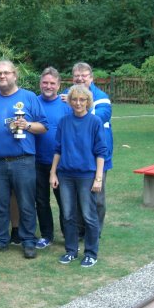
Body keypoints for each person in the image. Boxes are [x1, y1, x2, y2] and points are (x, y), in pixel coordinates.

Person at [0, 60, 48, 259]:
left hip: (23, 161)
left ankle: (28, 241)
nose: (2, 76)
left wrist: (26, 125)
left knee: (26, 203)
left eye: (6, 73)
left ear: (15, 75)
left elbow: (43, 127)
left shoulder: (29, 97)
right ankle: (0, 240)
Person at [50, 84, 107, 268]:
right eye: (74, 99)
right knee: (68, 215)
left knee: (89, 215)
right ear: (70, 101)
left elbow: (101, 152)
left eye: (82, 100)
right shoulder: (64, 122)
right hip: (65, 175)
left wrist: (98, 178)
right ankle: (71, 251)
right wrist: (53, 173)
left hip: (86, 176)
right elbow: (58, 149)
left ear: (88, 101)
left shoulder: (95, 122)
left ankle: (91, 253)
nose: (78, 103)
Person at [62, 62, 113, 235]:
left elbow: (101, 116)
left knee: (97, 198)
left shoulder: (101, 97)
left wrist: (76, 106)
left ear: (91, 78)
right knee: (76, 198)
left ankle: (95, 233)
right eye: (76, 75)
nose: (80, 78)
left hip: (98, 157)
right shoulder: (65, 95)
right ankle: (79, 231)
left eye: (84, 75)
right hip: (74, 157)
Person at [34, 67, 72, 249]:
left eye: (52, 83)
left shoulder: (66, 105)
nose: (48, 86)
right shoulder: (33, 102)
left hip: (61, 163)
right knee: (41, 201)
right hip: (37, 160)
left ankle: (68, 235)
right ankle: (46, 235)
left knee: (64, 201)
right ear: (40, 83)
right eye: (45, 82)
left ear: (58, 85)